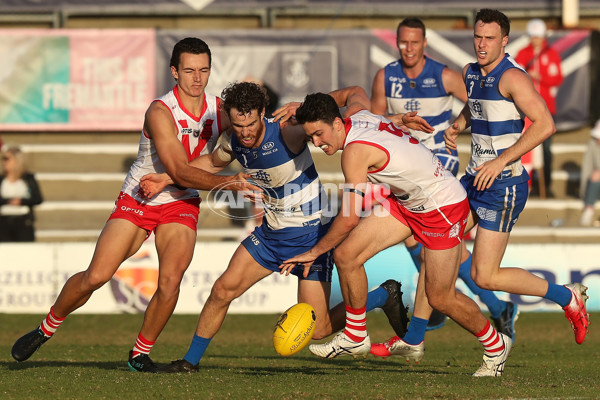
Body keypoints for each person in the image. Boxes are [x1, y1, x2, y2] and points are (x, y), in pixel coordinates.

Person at [11, 37, 259, 373]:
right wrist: (231, 181)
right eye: (188, 70)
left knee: (171, 282)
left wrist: (275, 122)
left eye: (203, 70)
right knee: (97, 276)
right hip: (140, 198)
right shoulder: (161, 111)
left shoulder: (219, 109)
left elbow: (249, 129)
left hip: (181, 202)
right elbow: (179, 168)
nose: (197, 78)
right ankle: (47, 327)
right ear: (174, 71)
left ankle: (139, 354)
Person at [137, 81, 409, 373]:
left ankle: (385, 294)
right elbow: (211, 163)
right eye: (239, 125)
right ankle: (189, 362)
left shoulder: (288, 131)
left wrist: (383, 120)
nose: (246, 132)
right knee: (221, 291)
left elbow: (346, 109)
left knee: (319, 331)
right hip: (269, 237)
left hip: (310, 237)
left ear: (262, 113)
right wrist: (166, 178)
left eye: (251, 123)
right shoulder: (232, 140)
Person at [279, 86, 515, 377]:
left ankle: (495, 345)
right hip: (408, 203)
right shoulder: (358, 113)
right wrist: (304, 105)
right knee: (347, 254)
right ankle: (355, 335)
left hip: (441, 208)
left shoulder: (353, 153)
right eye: (311, 136)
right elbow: (354, 91)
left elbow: (349, 219)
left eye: (319, 134)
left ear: (337, 124)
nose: (316, 143)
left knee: (440, 297)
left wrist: (314, 252)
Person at [444, 9, 589, 349]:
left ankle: (567, 297)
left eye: (489, 38)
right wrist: (458, 124)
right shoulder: (470, 73)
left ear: (505, 41)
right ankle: (418, 332)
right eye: (478, 37)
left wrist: (501, 161)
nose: (481, 45)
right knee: (438, 241)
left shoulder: (514, 78)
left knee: (485, 275)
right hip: (473, 179)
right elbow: (476, 106)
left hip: (503, 184)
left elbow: (545, 124)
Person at [370, 16, 518, 338]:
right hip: (407, 168)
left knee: (424, 237)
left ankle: (433, 313)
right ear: (396, 43)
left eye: (415, 42)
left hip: (440, 165)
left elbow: (481, 103)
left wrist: (460, 131)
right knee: (428, 242)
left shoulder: (445, 75)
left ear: (425, 43)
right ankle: (488, 306)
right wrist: (397, 124)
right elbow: (376, 118)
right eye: (403, 42)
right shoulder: (386, 76)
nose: (408, 49)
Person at [515, 18, 563, 198]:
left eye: (538, 36)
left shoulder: (552, 54)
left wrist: (540, 76)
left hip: (546, 109)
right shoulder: (522, 53)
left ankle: (545, 185)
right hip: (526, 108)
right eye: (533, 36)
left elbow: (557, 78)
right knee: (526, 146)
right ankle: (527, 183)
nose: (536, 40)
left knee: (546, 149)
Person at [0, 145, 43, 242]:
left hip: (23, 221)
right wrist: (8, 201)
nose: (4, 162)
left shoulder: (28, 178)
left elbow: (38, 198)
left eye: (7, 159)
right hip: (3, 222)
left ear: (17, 160)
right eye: (3, 159)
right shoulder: (1, 179)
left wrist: (21, 201)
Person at [579, 120, 600, 226]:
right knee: (596, 175)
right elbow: (587, 169)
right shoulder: (592, 144)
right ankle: (588, 209)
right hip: (597, 185)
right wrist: (584, 192)